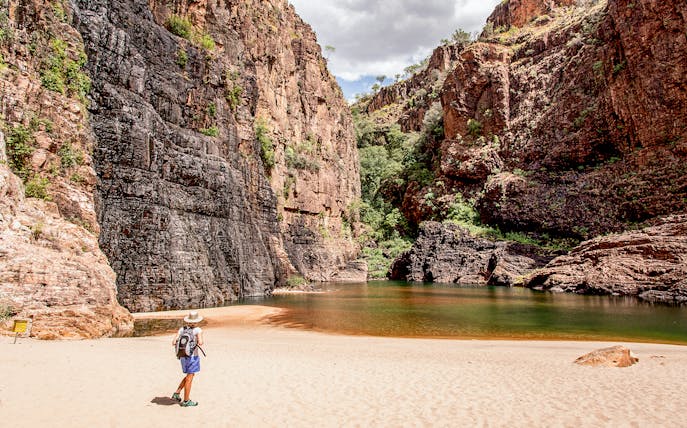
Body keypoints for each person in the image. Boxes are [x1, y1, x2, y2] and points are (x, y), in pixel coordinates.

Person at [172, 311, 204, 407]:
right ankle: (186, 401)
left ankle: (177, 393)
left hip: (182, 356)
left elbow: (174, 342)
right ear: (197, 321)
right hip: (192, 356)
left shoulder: (182, 329)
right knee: (190, 378)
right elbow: (201, 342)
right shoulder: (197, 330)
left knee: (189, 376)